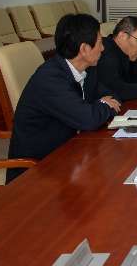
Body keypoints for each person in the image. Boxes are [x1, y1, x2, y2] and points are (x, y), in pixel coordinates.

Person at [6, 14, 121, 182]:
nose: (103, 48)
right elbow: (89, 119)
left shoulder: (87, 69)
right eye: (99, 42)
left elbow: (113, 96)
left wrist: (100, 105)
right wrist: (103, 104)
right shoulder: (50, 79)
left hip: (69, 155)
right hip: (36, 172)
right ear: (84, 49)